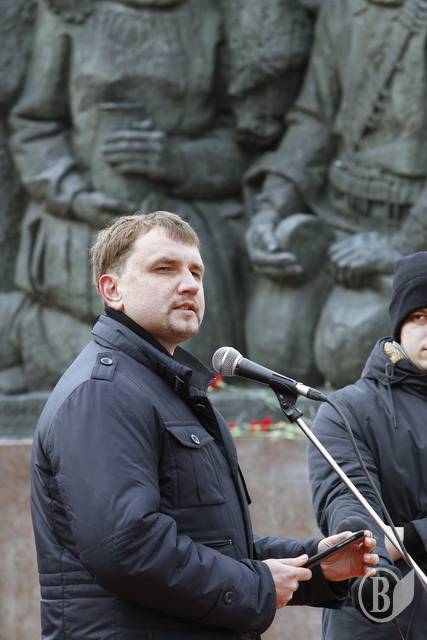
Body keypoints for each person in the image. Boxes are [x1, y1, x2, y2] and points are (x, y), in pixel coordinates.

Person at [31, 210, 377, 640]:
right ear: (112, 289)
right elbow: (127, 546)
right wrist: (256, 585)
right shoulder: (103, 393)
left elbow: (212, 541)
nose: (189, 284)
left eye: (196, 272)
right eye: (164, 268)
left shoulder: (165, 387)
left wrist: (313, 564)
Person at [244, 0, 427, 387]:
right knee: (274, 344)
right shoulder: (342, 9)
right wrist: (271, 209)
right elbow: (315, 119)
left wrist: (397, 247)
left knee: (348, 349)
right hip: (336, 215)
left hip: (408, 236)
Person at [309, 251, 427, 639]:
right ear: (399, 324)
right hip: (378, 620)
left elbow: (397, 540)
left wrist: (410, 537)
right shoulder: (345, 411)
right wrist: (369, 544)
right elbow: (347, 502)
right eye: (419, 317)